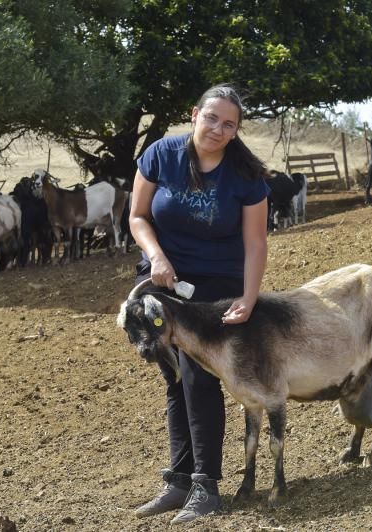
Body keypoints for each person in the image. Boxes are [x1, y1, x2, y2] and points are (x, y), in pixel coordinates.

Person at [128, 84, 269, 524]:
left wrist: (248, 297)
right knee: (173, 373)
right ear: (194, 115)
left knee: (198, 375)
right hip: (163, 276)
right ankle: (179, 481)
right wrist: (156, 256)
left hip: (217, 283)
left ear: (236, 131)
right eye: (212, 118)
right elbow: (137, 216)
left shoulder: (245, 174)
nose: (218, 129)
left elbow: (255, 241)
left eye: (229, 124)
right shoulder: (161, 155)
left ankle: (206, 486)